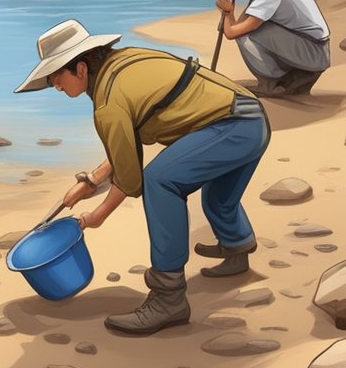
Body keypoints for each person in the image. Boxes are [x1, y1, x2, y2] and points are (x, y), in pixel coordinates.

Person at [15, 19, 269, 335]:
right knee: (219, 196)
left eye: (56, 76)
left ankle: (168, 299)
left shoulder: (108, 101)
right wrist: (91, 182)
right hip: (252, 117)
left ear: (81, 69)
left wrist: (96, 215)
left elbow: (131, 178)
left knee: (160, 181)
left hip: (230, 128)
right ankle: (236, 248)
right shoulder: (124, 61)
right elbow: (127, 142)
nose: (55, 85)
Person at [215, 0, 330, 98]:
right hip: (309, 50)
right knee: (252, 26)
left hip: (312, 54)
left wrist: (227, 13)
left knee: (247, 33)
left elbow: (233, 32)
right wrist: (230, 17)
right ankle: (281, 79)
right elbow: (239, 24)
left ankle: (271, 84)